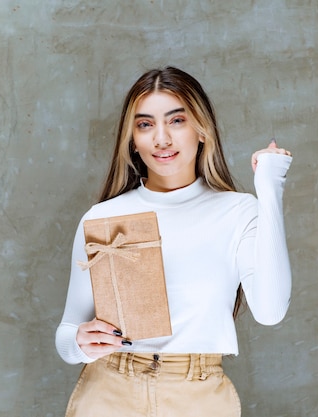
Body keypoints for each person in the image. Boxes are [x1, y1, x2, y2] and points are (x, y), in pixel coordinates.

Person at [55, 66, 292, 416]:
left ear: (202, 130)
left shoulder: (238, 211)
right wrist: (79, 343)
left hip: (197, 396)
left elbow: (271, 312)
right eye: (145, 124)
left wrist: (270, 186)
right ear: (132, 139)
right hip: (108, 392)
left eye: (176, 121)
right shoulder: (102, 217)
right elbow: (68, 332)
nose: (161, 139)